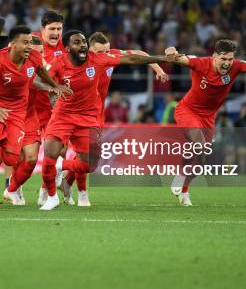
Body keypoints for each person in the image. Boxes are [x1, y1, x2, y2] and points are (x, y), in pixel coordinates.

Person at [40, 30, 178, 211]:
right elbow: (43, 77)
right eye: (101, 51)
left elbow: (138, 56)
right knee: (57, 150)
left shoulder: (104, 58)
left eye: (108, 51)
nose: (106, 54)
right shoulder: (68, 62)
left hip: (93, 113)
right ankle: (61, 194)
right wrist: (54, 88)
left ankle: (66, 178)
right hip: (66, 113)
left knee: (87, 160)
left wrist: (159, 66)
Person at [165, 39, 246, 206]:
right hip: (188, 110)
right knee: (198, 143)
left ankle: (185, 190)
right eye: (223, 59)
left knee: (201, 160)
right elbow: (179, 59)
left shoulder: (236, 67)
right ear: (214, 57)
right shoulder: (201, 63)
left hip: (208, 117)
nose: (227, 63)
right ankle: (181, 176)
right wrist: (170, 51)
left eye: (230, 59)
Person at [0, 25, 70, 212]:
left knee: (12, 158)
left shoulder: (34, 58)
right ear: (12, 44)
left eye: (30, 43)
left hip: (20, 112)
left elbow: (41, 72)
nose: (29, 47)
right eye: (25, 42)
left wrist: (56, 85)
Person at [32, 10, 67, 205]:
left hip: (54, 109)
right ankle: (12, 188)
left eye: (59, 29)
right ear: (42, 29)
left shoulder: (66, 46)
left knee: (58, 151)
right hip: (30, 108)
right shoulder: (31, 43)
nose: (56, 33)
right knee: (24, 156)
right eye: (52, 29)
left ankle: (45, 190)